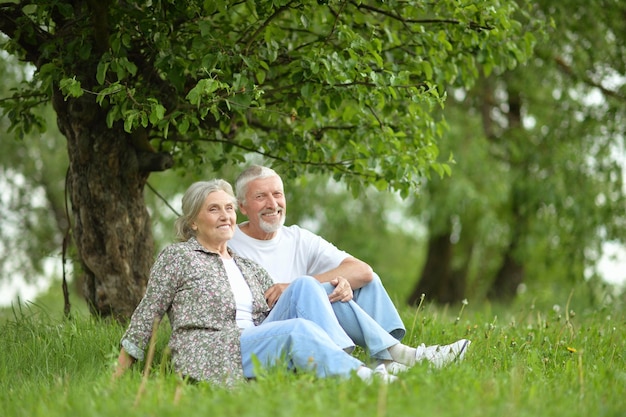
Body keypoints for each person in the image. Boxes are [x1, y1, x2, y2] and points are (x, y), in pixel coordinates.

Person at [112, 179, 396, 386]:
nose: (225, 216)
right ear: (193, 222)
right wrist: (118, 376)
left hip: (256, 340)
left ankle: (341, 365)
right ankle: (363, 377)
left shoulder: (248, 267)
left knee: (305, 286)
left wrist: (338, 283)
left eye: (228, 208)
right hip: (212, 350)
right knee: (297, 330)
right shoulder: (178, 257)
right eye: (214, 209)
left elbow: (280, 310)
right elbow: (149, 313)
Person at [229, 165, 470, 372]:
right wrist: (307, 286)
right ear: (242, 206)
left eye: (277, 194)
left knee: (360, 282)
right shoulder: (228, 241)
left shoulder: (297, 238)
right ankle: (401, 357)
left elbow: (362, 271)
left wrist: (329, 283)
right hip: (269, 329)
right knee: (307, 286)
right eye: (261, 196)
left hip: (309, 313)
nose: (273, 204)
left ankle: (385, 359)